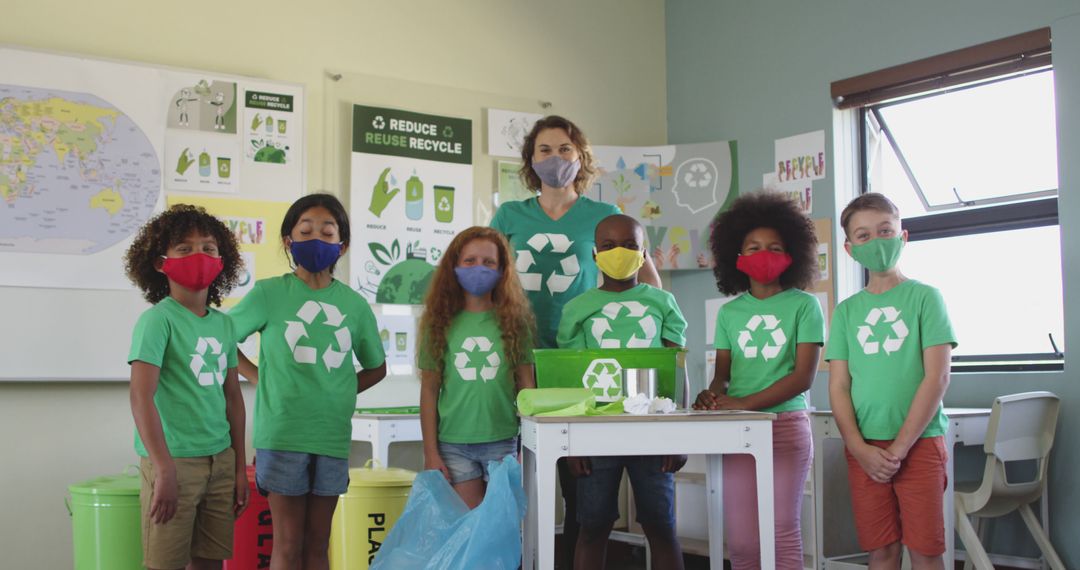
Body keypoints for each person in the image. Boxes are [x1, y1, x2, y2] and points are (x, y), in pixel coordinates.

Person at [490, 115, 661, 566]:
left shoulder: (604, 217)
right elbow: (490, 277)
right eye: (544, 149)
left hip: (585, 359)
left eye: (564, 148)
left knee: (583, 479)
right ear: (531, 159)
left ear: (580, 157)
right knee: (522, 473)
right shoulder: (510, 215)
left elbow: (650, 284)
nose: (555, 157)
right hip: (522, 356)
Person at [229, 193, 387, 570]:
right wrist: (259, 375)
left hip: (330, 434)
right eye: (305, 230)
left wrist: (341, 390)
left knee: (318, 545)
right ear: (288, 240)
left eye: (327, 232)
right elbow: (221, 337)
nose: (316, 238)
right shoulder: (269, 293)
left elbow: (376, 367)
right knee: (287, 544)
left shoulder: (354, 305)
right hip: (282, 433)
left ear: (342, 245)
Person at [693, 190, 824, 569]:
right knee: (744, 539)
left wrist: (745, 403)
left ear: (791, 254)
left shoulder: (805, 306)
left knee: (781, 529)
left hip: (785, 428)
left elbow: (802, 377)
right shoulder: (730, 313)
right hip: (738, 429)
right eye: (752, 247)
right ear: (736, 255)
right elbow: (723, 377)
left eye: (773, 246)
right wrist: (710, 395)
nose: (762, 254)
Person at [827, 193, 956, 570]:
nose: (877, 241)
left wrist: (899, 448)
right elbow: (838, 386)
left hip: (918, 444)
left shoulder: (926, 298)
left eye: (885, 230)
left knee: (925, 550)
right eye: (864, 235)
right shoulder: (846, 311)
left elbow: (938, 376)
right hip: (865, 449)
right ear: (850, 249)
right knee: (880, 550)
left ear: (903, 236)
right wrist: (857, 446)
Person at [557, 214, 688, 570]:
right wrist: (573, 442)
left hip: (654, 430)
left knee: (661, 525)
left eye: (630, 245)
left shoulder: (663, 304)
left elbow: (677, 372)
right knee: (593, 525)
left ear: (644, 253)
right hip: (596, 433)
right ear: (596, 253)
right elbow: (570, 380)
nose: (620, 252)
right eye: (610, 246)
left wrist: (680, 434)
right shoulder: (576, 309)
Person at [125, 204, 248, 570]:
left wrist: (239, 467)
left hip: (220, 461)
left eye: (208, 248)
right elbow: (140, 396)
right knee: (164, 563)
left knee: (211, 561)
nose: (199, 255)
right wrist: (163, 468)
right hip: (174, 461)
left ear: (222, 259)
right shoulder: (157, 321)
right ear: (161, 262)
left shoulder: (224, 325)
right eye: (184, 248)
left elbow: (232, 398)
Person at [417, 227, 537, 508]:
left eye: (488, 262)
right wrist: (430, 453)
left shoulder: (515, 323)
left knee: (501, 526)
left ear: (502, 270)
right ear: (454, 266)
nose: (478, 268)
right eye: (469, 261)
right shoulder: (438, 323)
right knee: (470, 529)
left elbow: (527, 387)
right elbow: (429, 391)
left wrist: (527, 447)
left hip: (502, 440)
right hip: (453, 444)